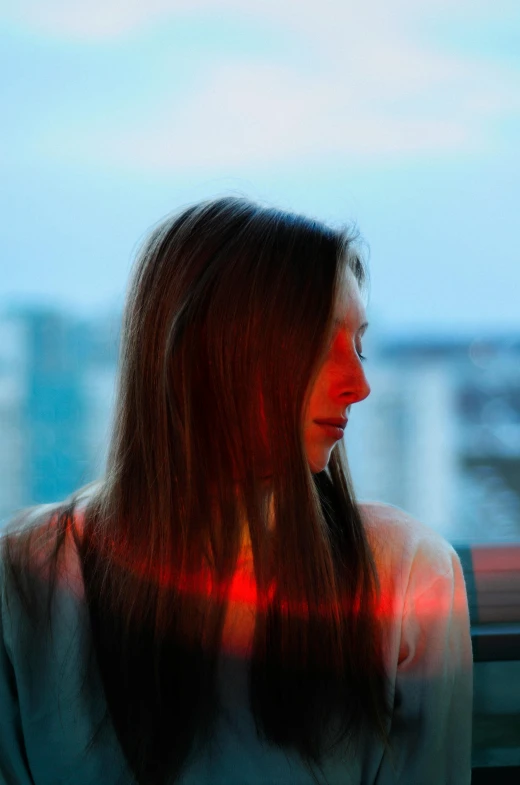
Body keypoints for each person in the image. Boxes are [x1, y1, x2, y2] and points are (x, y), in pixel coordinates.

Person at [0, 195, 473, 785]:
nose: (360, 385)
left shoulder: (410, 574)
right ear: (209, 352)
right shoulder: (21, 578)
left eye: (360, 344)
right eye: (320, 342)